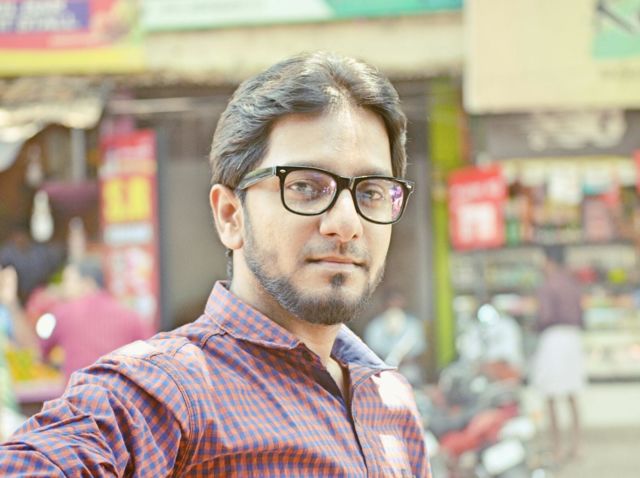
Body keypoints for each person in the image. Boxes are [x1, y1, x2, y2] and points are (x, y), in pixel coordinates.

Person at [0, 52, 431, 476]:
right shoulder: (169, 392)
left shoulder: (390, 400)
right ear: (230, 216)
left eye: (371, 192)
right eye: (305, 186)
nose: (347, 223)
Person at [37, 259, 153, 383]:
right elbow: (152, 354)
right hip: (120, 391)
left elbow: (41, 351)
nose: (63, 287)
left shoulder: (63, 313)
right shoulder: (129, 314)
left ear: (87, 283)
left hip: (79, 392)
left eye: (68, 281)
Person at [530, 245, 585, 464]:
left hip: (553, 340)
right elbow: (582, 315)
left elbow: (544, 316)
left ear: (549, 261)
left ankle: (557, 448)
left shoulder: (546, 286)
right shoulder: (573, 284)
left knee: (551, 396)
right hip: (573, 339)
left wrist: (533, 326)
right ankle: (577, 446)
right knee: (572, 395)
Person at [364, 290, 426, 385]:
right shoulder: (375, 326)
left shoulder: (414, 324)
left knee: (411, 376)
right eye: (392, 302)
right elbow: (372, 352)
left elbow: (419, 349)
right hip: (382, 369)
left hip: (408, 369)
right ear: (385, 304)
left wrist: (401, 361)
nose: (395, 305)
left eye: (398, 301)